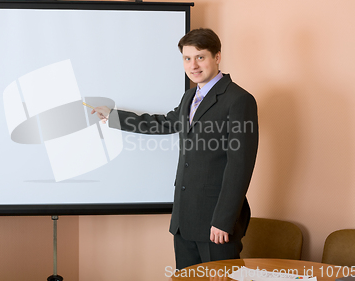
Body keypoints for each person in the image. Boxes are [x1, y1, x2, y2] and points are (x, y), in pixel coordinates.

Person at [92, 28, 259, 270]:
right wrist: (115, 117)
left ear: (217, 57)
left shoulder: (239, 100)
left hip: (217, 224)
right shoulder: (190, 97)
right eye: (187, 58)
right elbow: (164, 123)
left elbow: (240, 166)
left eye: (200, 57)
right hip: (184, 220)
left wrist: (224, 221)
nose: (193, 65)